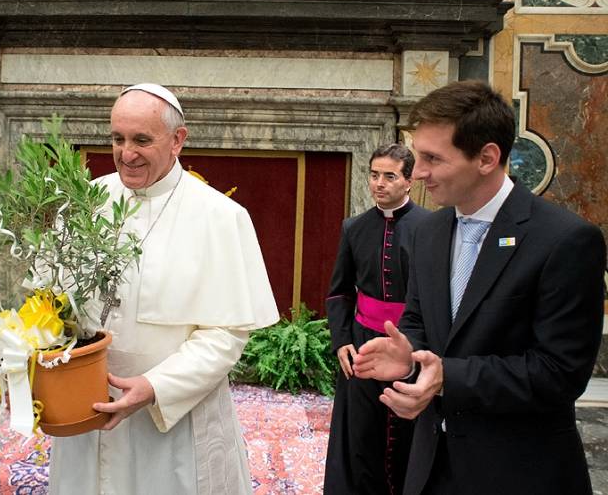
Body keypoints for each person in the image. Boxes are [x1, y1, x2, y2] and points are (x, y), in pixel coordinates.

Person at [352, 80, 605, 495]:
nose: (419, 174)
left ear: (487, 157)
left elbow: (560, 373)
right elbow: (419, 319)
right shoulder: (428, 232)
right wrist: (408, 354)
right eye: (418, 157)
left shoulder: (565, 240)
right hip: (431, 468)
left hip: (520, 473)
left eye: (433, 158)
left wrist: (447, 376)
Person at [47, 83, 279, 494]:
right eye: (117, 138)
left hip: (172, 418)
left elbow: (225, 334)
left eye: (141, 140)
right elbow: (53, 303)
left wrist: (156, 387)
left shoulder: (219, 217)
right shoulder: (86, 200)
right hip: (88, 405)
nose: (126, 153)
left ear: (178, 140)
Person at [324, 143, 429, 495]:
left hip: (413, 347)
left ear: (409, 181)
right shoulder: (354, 227)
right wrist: (342, 340)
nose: (379, 183)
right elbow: (340, 292)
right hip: (363, 345)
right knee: (361, 436)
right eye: (374, 175)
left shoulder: (431, 229)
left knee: (408, 436)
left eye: (389, 176)